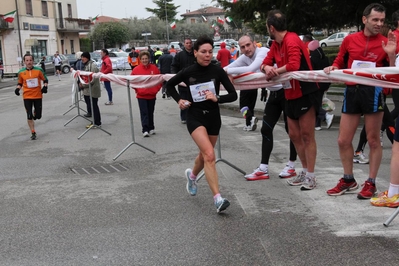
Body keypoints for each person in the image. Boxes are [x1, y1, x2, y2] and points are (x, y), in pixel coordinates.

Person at [323, 3, 397, 199]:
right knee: (343, 140)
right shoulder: (349, 40)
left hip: (373, 93)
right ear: (365, 19)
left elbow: (391, 77)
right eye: (375, 20)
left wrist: (391, 55)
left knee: (373, 140)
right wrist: (333, 67)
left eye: (382, 20)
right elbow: (339, 60)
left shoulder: (385, 42)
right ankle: (348, 179)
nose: (379, 23)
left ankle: (370, 183)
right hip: (351, 91)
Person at [166, 35, 238, 213]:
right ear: (195, 52)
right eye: (203, 52)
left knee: (204, 156)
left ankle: (192, 176)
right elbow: (169, 85)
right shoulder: (188, 71)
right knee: (210, 155)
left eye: (210, 51)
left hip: (213, 117)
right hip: (195, 117)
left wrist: (217, 97)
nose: (207, 55)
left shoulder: (218, 71)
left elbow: (233, 95)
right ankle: (218, 199)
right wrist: (179, 101)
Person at [224, 34, 298, 180]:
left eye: (248, 45)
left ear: (254, 44)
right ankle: (263, 168)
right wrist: (226, 72)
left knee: (292, 131)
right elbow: (227, 67)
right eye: (242, 47)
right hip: (274, 94)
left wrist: (228, 72)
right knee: (265, 129)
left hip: (286, 92)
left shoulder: (263, 52)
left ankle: (291, 165)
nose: (246, 49)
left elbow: (251, 68)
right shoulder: (244, 56)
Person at [261, 10, 320, 190]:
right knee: (294, 135)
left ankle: (311, 175)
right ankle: (303, 170)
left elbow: (294, 65)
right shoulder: (276, 44)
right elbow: (265, 61)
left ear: (271, 28)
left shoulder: (292, 40)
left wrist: (274, 71)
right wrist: (266, 67)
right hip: (289, 93)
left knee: (307, 135)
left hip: (305, 91)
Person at [302, 36, 334, 130]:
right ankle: (317, 124)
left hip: (316, 83)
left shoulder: (312, 57)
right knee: (318, 102)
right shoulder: (323, 56)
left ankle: (326, 116)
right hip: (324, 82)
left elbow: (311, 69)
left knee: (314, 103)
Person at [15, 53, 48, 140]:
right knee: (29, 115)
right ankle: (33, 132)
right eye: (27, 60)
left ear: (33, 61)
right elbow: (20, 83)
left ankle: (35, 113)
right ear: (24, 62)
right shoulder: (21, 72)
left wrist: (45, 86)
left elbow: (45, 79)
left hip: (37, 95)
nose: (29, 62)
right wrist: (17, 89)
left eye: (30, 60)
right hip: (27, 96)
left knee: (38, 116)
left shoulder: (38, 70)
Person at [131, 51, 162, 137]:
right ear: (140, 59)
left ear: (149, 59)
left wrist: (156, 89)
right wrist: (138, 90)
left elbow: (159, 80)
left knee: (150, 111)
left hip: (152, 95)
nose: (144, 60)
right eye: (143, 59)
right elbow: (132, 82)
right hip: (141, 95)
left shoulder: (154, 68)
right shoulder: (136, 70)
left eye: (146, 59)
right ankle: (145, 129)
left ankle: (151, 127)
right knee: (144, 112)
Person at [171, 38, 195, 124]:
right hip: (182, 83)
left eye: (190, 43)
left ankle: (193, 117)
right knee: (184, 99)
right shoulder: (179, 55)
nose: (189, 44)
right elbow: (174, 66)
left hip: (194, 82)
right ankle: (184, 117)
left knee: (194, 100)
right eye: (187, 43)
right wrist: (174, 76)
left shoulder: (195, 54)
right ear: (184, 44)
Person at [79, 52, 102, 128]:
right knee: (91, 105)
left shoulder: (92, 66)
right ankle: (95, 121)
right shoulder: (86, 65)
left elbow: (93, 79)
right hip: (87, 90)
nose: (82, 59)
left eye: (84, 57)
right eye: (81, 57)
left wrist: (84, 85)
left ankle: (97, 122)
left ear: (87, 58)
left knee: (94, 106)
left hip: (92, 90)